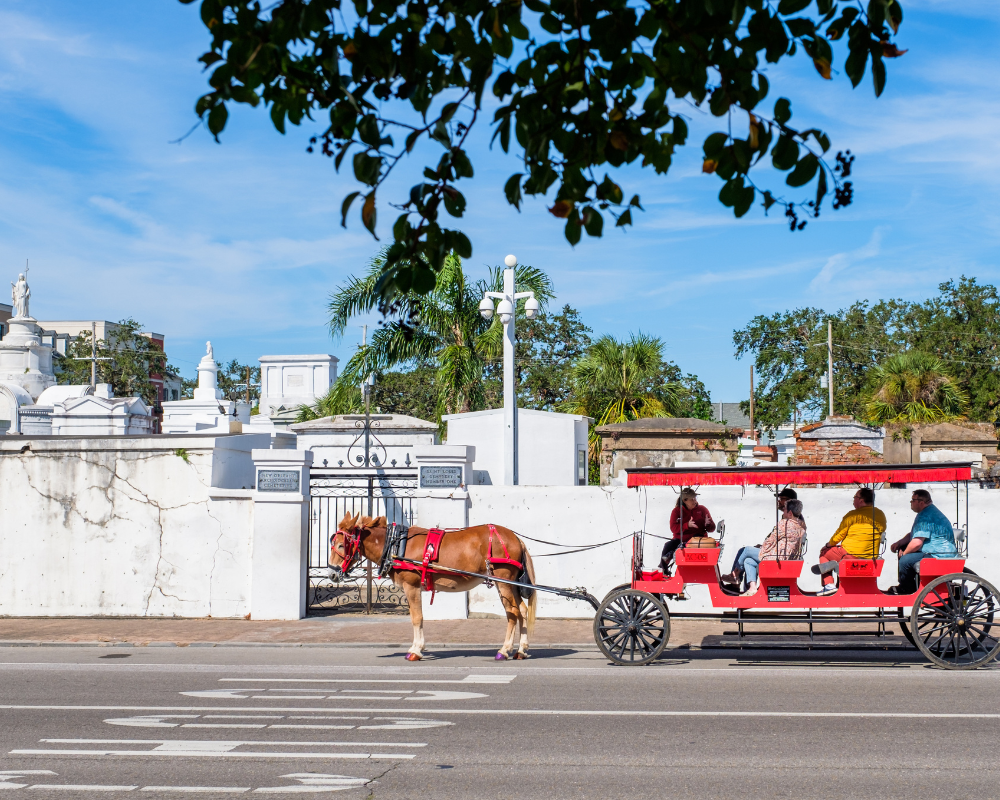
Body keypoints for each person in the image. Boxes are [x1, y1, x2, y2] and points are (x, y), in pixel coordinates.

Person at [721, 500, 807, 594]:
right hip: (786, 558)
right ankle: (752, 588)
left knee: (746, 550)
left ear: (790, 513)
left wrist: (762, 548)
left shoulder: (785, 524)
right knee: (748, 561)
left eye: (785, 510)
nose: (783, 512)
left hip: (776, 558)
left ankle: (735, 574)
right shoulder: (801, 526)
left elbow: (770, 541)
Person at [814, 487, 886, 596]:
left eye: (855, 497)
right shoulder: (880, 514)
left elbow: (838, 537)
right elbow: (882, 529)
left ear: (861, 500)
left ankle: (829, 585)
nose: (853, 500)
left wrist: (827, 545)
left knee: (824, 553)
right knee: (835, 553)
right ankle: (833, 566)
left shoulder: (852, 515)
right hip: (871, 558)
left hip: (850, 555)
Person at [887, 489, 957, 595]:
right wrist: (900, 543)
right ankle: (908, 586)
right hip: (936, 553)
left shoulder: (926, 516)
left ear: (921, 502)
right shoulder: (928, 512)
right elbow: (914, 534)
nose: (911, 503)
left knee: (905, 561)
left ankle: (906, 589)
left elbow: (917, 542)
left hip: (939, 555)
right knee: (905, 551)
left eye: (913, 500)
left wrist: (904, 554)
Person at [660, 488, 715, 573]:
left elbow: (712, 528)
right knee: (668, 545)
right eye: (691, 499)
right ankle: (663, 568)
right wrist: (686, 525)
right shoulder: (676, 511)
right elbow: (673, 528)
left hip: (697, 540)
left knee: (696, 537)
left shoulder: (702, 509)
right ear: (684, 500)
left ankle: (673, 553)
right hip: (680, 540)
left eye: (695, 498)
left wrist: (708, 524)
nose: (694, 501)